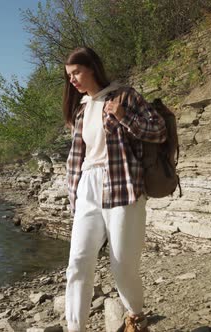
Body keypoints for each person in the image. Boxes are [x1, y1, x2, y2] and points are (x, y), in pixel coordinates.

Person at [62, 46, 167, 332]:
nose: (72, 80)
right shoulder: (81, 110)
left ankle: (135, 318)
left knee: (122, 264)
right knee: (78, 263)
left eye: (76, 72)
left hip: (123, 187)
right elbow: (77, 158)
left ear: (92, 68)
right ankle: (75, 329)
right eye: (68, 76)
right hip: (88, 188)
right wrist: (75, 196)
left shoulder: (125, 96)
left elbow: (158, 131)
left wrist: (123, 116)